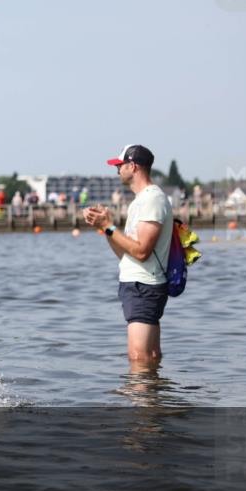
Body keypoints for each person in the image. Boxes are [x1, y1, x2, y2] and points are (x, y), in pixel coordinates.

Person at [83, 145, 173, 368]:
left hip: (144, 285)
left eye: (120, 165)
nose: (117, 170)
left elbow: (141, 251)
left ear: (133, 166)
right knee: (147, 356)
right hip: (138, 283)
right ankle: (153, 398)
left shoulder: (152, 199)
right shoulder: (140, 201)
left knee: (139, 357)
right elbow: (125, 254)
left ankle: (142, 400)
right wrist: (105, 227)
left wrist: (110, 226)